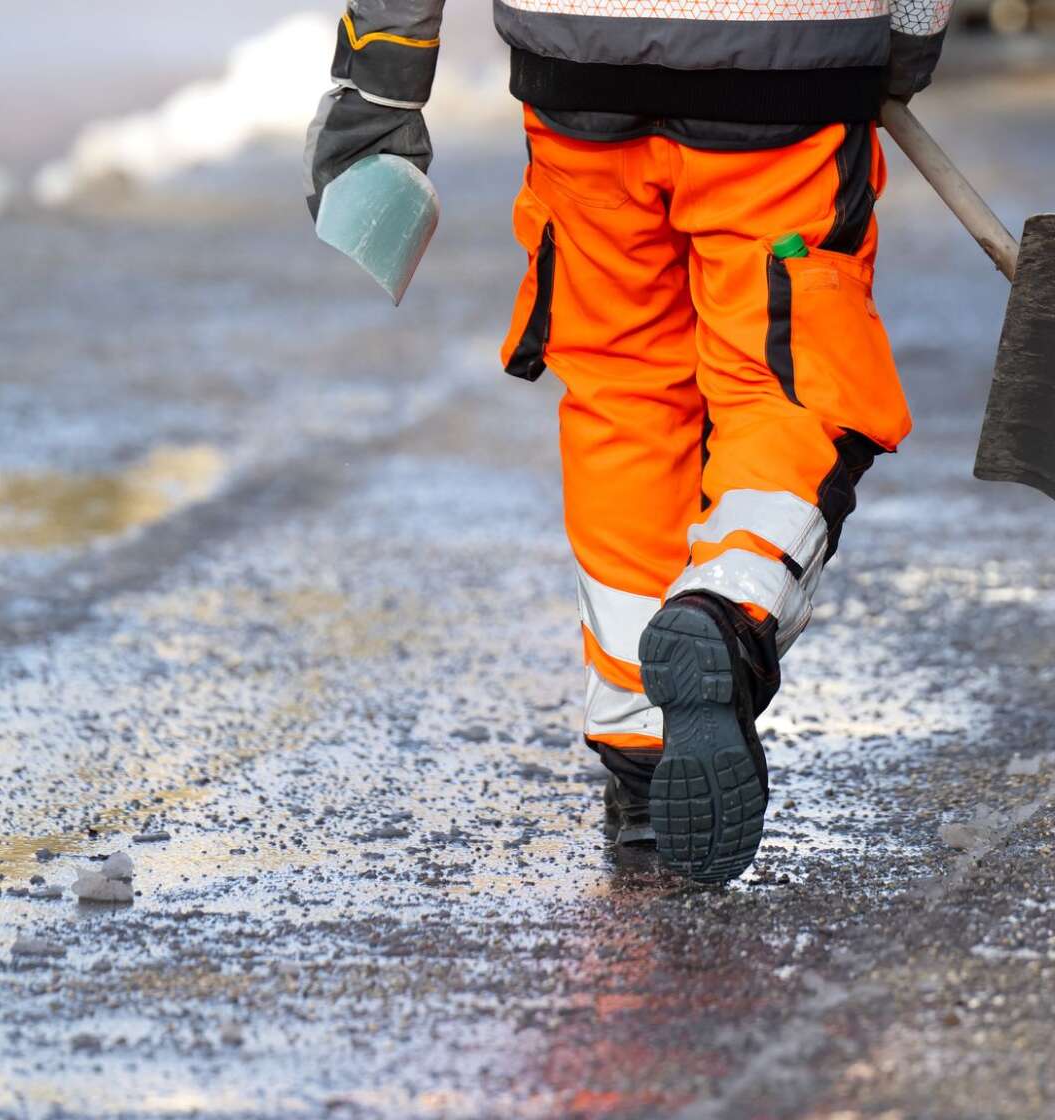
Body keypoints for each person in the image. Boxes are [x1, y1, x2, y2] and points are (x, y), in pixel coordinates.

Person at [305, 0, 951, 884]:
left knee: (622, 388)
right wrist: (910, 41)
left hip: (580, 60)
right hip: (784, 66)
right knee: (785, 382)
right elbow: (910, 34)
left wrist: (379, 81)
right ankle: (730, 606)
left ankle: (644, 758)